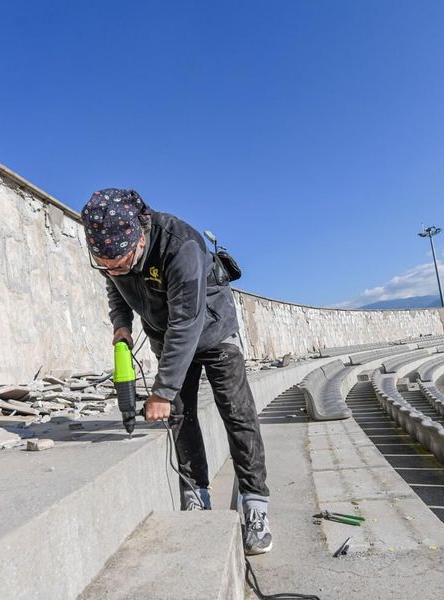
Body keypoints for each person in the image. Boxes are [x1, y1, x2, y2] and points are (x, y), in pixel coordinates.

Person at [81, 188, 272, 555]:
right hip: (166, 335)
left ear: (138, 237)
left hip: (213, 331)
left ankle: (255, 503)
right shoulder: (112, 253)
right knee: (180, 418)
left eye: (120, 262)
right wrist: (121, 324)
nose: (113, 269)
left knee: (237, 413)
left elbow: (187, 323)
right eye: (105, 264)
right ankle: (196, 494)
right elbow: (116, 289)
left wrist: (162, 390)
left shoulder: (180, 244)